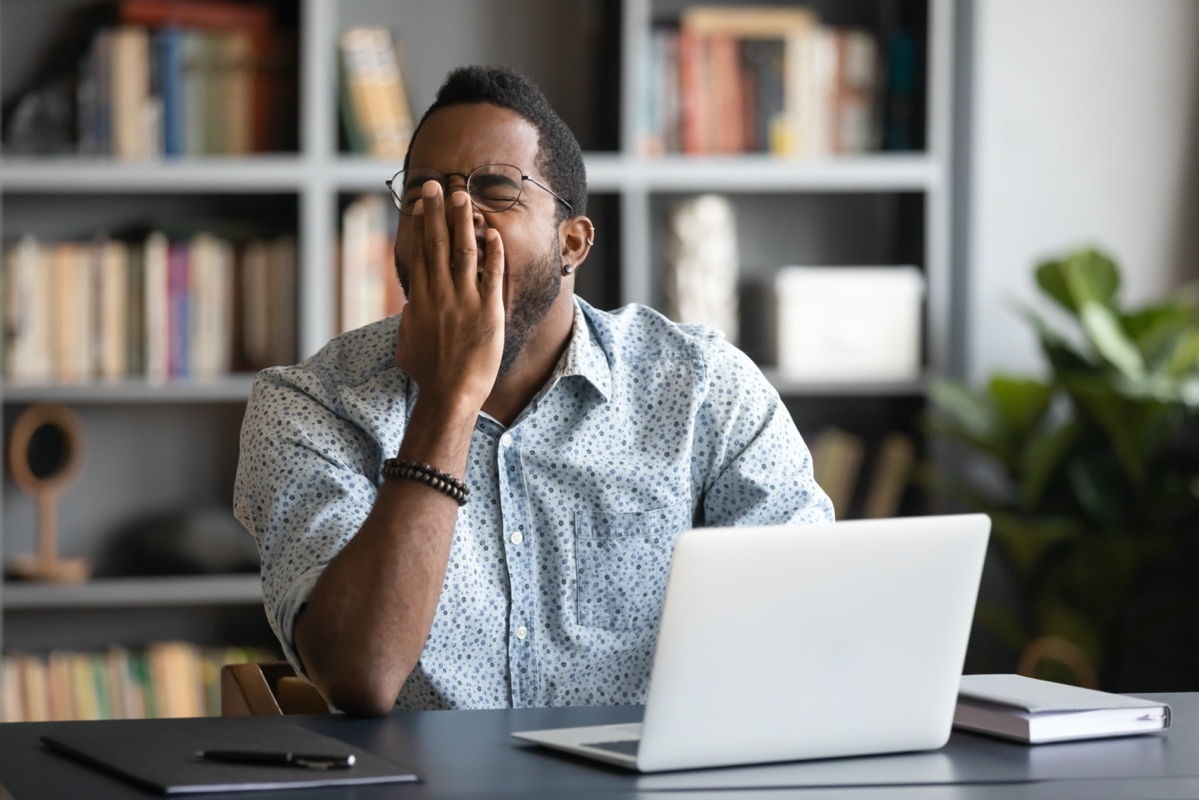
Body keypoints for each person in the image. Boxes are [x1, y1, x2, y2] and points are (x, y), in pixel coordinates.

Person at [234, 64, 833, 716]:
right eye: (423, 194)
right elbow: (360, 674)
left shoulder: (703, 389)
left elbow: (812, 628)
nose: (454, 219)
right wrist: (450, 395)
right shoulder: (308, 406)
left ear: (572, 242)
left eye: (494, 189)